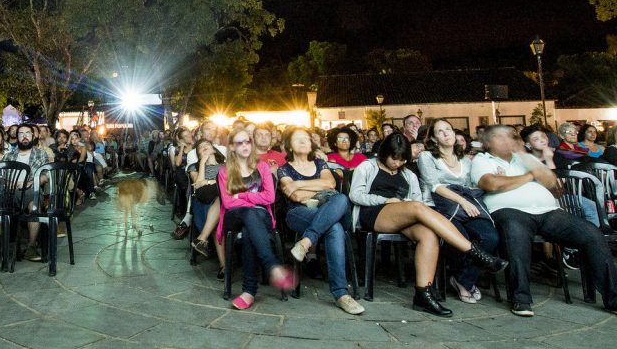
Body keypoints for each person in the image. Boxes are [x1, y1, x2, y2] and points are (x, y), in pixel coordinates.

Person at [349, 132, 506, 317]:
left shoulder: (408, 174)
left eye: (402, 160)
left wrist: (406, 205)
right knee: (416, 207)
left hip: (405, 213)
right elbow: (355, 195)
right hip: (374, 213)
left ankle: (423, 295)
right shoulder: (367, 166)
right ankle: (474, 252)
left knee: (428, 234)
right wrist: (385, 200)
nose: (397, 163)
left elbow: (417, 200)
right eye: (394, 158)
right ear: (384, 153)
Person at [473, 124, 617, 316]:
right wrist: (530, 176)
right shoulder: (482, 160)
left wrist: (524, 158)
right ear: (488, 142)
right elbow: (491, 183)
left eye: (510, 136)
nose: (507, 140)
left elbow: (550, 181)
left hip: (548, 211)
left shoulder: (525, 159)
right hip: (509, 210)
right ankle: (520, 299)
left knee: (591, 233)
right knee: (515, 236)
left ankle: (613, 299)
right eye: (501, 137)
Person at [277, 127, 364, 315]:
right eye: (297, 139)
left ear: (312, 144)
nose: (302, 142)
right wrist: (316, 188)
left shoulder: (319, 163)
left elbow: (330, 184)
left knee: (340, 203)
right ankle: (341, 294)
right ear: (289, 145)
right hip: (299, 213)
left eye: (306, 139)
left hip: (324, 212)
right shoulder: (283, 169)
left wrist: (298, 183)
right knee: (335, 217)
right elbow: (298, 198)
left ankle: (306, 242)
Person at [417, 120, 500, 305]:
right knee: (459, 238)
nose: (446, 133)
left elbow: (471, 186)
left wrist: (496, 177)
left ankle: (462, 279)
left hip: (467, 206)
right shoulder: (427, 156)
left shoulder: (464, 159)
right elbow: (434, 186)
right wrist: (461, 200)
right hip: (439, 207)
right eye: (440, 131)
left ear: (454, 134)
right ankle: (465, 283)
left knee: (490, 237)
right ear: (434, 138)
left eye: (448, 129)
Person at [217, 126, 296, 310]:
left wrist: (242, 196)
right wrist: (252, 201)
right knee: (249, 214)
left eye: (248, 141)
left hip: (261, 216)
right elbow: (228, 203)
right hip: (234, 216)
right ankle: (271, 265)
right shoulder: (225, 171)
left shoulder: (262, 166)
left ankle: (249, 292)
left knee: (248, 231)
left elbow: (270, 197)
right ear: (231, 147)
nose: (245, 145)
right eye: (240, 142)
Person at [520, 124, 600, 226]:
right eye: (536, 139)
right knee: (585, 208)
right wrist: (549, 160)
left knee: (591, 205)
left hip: (561, 195)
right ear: (528, 144)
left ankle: (592, 237)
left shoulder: (557, 155)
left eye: (544, 136)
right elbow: (552, 187)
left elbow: (560, 186)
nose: (542, 140)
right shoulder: (527, 160)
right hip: (539, 198)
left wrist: (550, 159)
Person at [2, 123, 49, 261]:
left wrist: (30, 183)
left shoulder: (40, 154)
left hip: (30, 190)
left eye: (27, 133)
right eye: (21, 133)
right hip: (10, 192)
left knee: (34, 203)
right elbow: (1, 177)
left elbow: (45, 176)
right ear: (17, 137)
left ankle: (31, 247)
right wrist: (13, 184)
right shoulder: (9, 156)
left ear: (33, 136)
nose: (24, 136)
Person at [189, 140, 226, 273]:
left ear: (214, 150)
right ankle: (223, 266)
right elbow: (198, 185)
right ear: (198, 154)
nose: (204, 147)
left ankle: (201, 239)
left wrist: (209, 181)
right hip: (204, 201)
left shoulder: (226, 166)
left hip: (223, 200)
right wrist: (203, 162)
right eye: (200, 147)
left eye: (207, 145)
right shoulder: (195, 166)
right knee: (217, 210)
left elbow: (231, 183)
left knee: (218, 217)